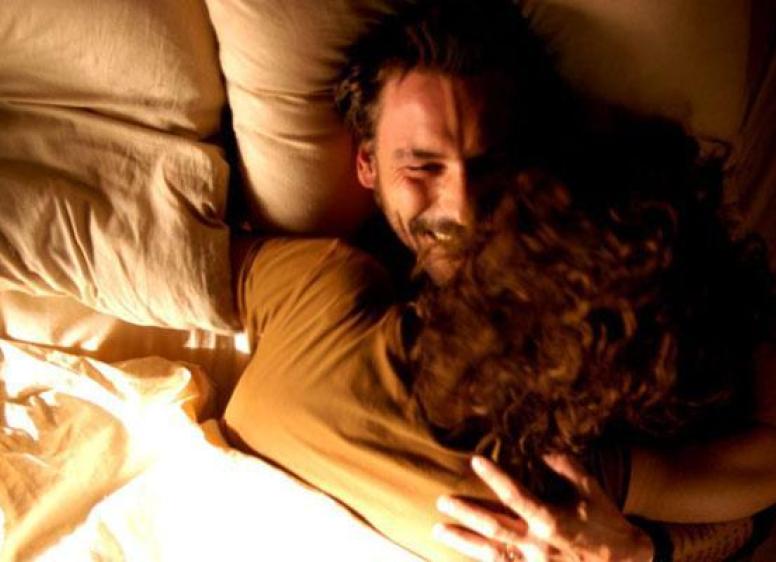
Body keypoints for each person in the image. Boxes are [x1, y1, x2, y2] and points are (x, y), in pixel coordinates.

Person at [223, 110, 775, 560]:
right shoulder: (552, 485)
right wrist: (643, 552)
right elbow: (750, 486)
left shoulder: (324, 293)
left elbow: (191, 265)